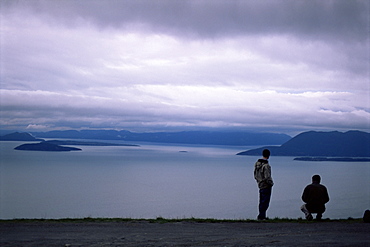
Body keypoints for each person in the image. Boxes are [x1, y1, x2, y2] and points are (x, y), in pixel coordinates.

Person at [254, 149, 274, 220]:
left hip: (260, 184)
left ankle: (262, 215)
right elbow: (267, 177)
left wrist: (258, 181)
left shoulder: (257, 164)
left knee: (261, 201)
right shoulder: (266, 166)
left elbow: (255, 175)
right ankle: (261, 216)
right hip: (266, 185)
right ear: (268, 155)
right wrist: (271, 183)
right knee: (265, 202)